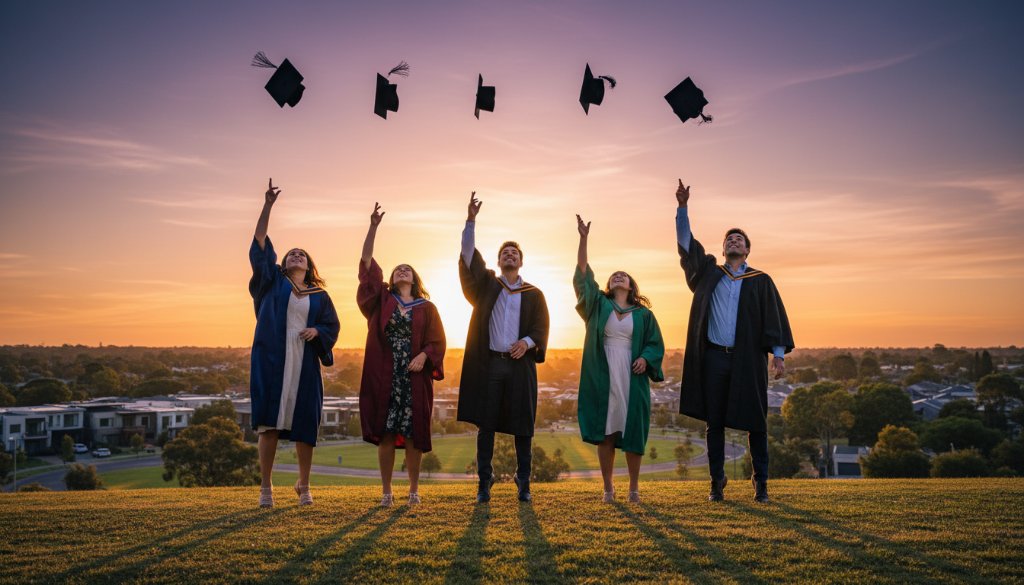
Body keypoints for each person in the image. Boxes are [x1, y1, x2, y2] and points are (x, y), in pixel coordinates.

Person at [674, 179, 794, 503]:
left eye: (739, 238)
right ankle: (717, 482)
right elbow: (687, 247)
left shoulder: (761, 280)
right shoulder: (710, 273)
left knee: (757, 422)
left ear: (747, 249)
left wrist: (778, 356)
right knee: (715, 423)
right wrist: (682, 208)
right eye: (729, 238)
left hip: (747, 360)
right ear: (723, 247)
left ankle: (761, 483)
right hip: (714, 358)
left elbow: (774, 320)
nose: (733, 240)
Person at [249, 178, 340, 507]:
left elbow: (332, 324)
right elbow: (259, 243)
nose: (296, 256)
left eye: (302, 254)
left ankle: (303, 484)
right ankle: (266, 487)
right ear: (284, 263)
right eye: (291, 254)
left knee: (304, 423)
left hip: (304, 361)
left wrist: (318, 332)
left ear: (309, 265)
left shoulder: (320, 295)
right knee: (268, 423)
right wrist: (268, 206)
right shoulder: (272, 282)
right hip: (272, 358)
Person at [457, 192, 550, 503]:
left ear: (521, 261)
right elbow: (469, 255)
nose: (510, 255)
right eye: (505, 252)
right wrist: (470, 220)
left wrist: (527, 343)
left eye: (514, 252)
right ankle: (485, 482)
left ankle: (523, 482)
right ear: (498, 261)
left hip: (520, 366)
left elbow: (541, 326)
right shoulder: (487, 286)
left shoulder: (533, 293)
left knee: (523, 426)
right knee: (487, 426)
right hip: (491, 365)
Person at [357, 203, 447, 507]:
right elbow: (367, 264)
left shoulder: (427, 307)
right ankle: (386, 492)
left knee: (412, 434)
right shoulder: (383, 299)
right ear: (392, 279)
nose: (402, 270)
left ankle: (413, 490)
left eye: (407, 269)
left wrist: (425, 356)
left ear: (415, 278)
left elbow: (437, 341)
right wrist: (373, 227)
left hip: (414, 375)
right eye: (398, 269)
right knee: (385, 433)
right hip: (385, 373)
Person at [573, 214, 665, 503]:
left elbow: (655, 344)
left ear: (631, 285)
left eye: (623, 275)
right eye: (614, 276)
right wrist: (583, 239)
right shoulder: (599, 305)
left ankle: (634, 489)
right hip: (603, 371)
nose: (618, 277)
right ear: (609, 285)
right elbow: (583, 277)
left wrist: (646, 359)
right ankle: (608, 488)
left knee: (633, 430)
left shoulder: (644, 315)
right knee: (606, 431)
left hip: (631, 374)